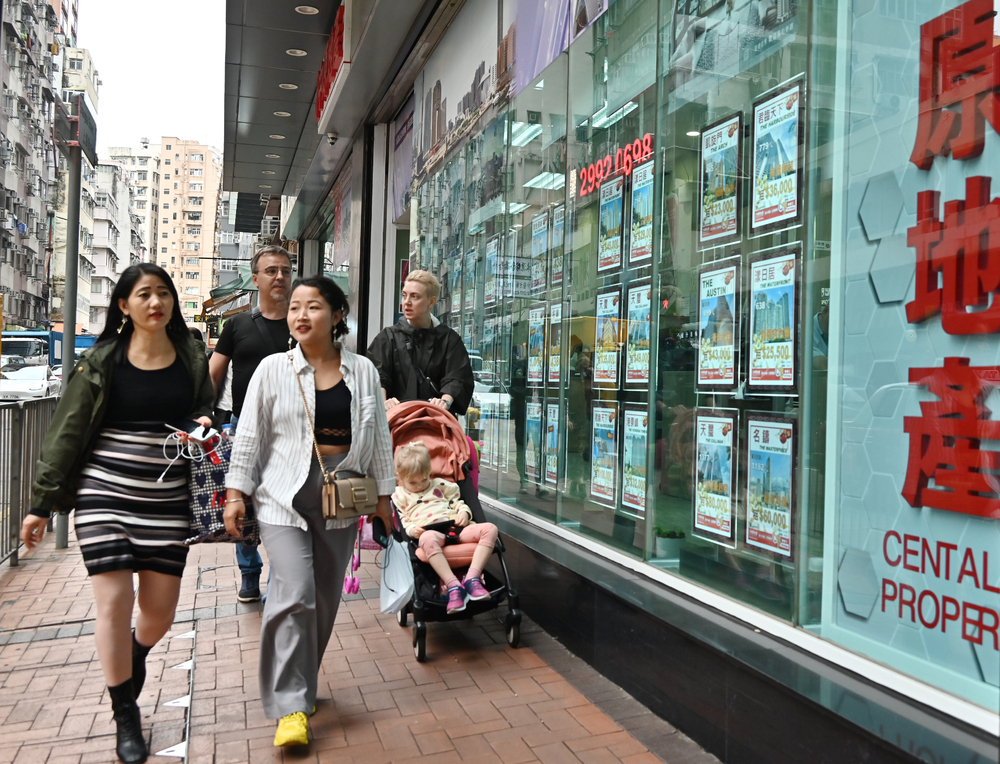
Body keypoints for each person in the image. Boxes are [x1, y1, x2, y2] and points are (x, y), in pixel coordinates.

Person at [21, 264, 215, 764]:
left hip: (166, 499)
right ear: (124, 305)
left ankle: (134, 655)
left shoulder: (191, 355)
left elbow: (204, 408)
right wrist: (41, 504)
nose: (156, 302)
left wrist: (203, 421)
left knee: (159, 612)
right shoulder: (103, 360)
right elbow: (67, 430)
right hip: (103, 494)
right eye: (144, 294)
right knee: (113, 601)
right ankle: (125, 712)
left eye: (163, 293)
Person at [223, 276, 394, 748]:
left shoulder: (363, 371)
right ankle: (291, 706)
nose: (300, 315)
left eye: (313, 306)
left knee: (323, 597)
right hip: (283, 493)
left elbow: (379, 437)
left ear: (337, 315)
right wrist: (236, 493)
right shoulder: (273, 370)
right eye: (295, 306)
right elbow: (250, 435)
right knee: (294, 591)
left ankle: (301, 681)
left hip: (344, 493)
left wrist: (384, 499)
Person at [209, 244, 293, 603]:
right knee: (243, 500)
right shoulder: (237, 325)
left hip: (292, 430)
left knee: (286, 506)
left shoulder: (302, 323)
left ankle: (280, 578)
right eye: (271, 270)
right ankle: (249, 572)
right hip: (244, 426)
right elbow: (213, 375)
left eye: (285, 270)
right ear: (255, 279)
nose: (280, 276)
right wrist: (205, 417)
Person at [392, 441, 498, 614]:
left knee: (490, 529)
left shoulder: (441, 485)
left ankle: (472, 578)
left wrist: (464, 513)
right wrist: (411, 530)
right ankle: (453, 585)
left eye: (424, 479)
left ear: (429, 473)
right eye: (413, 483)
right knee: (426, 538)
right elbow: (404, 520)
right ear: (399, 478)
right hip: (430, 533)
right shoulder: (400, 495)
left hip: (456, 528)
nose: (419, 486)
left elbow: (458, 503)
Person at [367, 270, 474, 415]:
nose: (407, 302)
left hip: (435, 420)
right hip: (395, 420)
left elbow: (457, 377)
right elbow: (376, 375)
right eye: (404, 295)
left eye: (415, 296)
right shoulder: (388, 337)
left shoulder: (449, 339)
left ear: (431, 302)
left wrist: (444, 401)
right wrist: (384, 401)